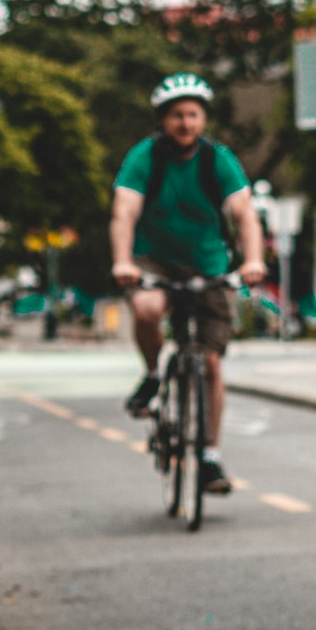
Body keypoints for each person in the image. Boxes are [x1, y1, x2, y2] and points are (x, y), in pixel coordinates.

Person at [110, 73, 265, 495]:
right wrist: (123, 261)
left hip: (208, 264)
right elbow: (124, 211)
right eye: (177, 115)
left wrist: (253, 260)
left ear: (203, 119)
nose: (186, 123)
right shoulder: (145, 157)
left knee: (210, 362)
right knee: (146, 309)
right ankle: (154, 372)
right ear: (163, 120)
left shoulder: (218, 159)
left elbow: (244, 213)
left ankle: (210, 456)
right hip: (153, 259)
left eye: (193, 115)